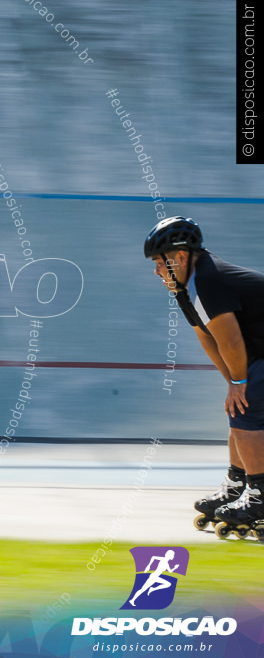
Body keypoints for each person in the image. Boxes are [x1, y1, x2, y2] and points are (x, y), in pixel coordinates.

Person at [145, 216, 264, 528]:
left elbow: (232, 339)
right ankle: (239, 486)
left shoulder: (209, 280)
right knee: (239, 409)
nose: (156, 270)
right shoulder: (185, 286)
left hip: (257, 351)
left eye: (160, 262)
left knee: (246, 409)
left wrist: (239, 382)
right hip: (257, 352)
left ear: (181, 257)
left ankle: (260, 495)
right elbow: (206, 336)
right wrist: (232, 382)